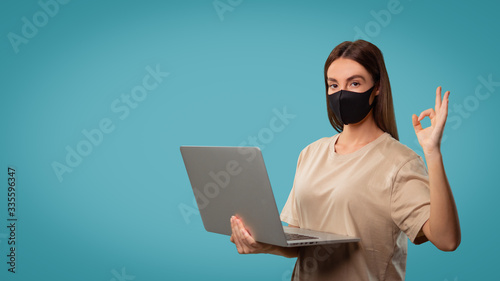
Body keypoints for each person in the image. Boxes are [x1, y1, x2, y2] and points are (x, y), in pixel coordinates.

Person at [229, 40, 461, 280]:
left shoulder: (399, 162)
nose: (341, 93)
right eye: (333, 85)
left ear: (377, 87)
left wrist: (432, 152)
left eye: (355, 83)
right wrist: (261, 244)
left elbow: (447, 240)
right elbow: (300, 242)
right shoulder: (311, 153)